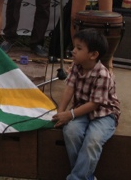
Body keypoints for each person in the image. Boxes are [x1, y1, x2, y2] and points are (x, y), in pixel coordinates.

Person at [52, 28, 120, 180]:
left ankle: (76, 178)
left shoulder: (103, 75)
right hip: (81, 110)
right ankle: (86, 177)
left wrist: (70, 114)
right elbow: (69, 89)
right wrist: (60, 112)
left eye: (79, 48)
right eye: (74, 47)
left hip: (104, 114)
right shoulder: (77, 66)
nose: (73, 51)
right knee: (71, 132)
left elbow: (95, 104)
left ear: (93, 55)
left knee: (93, 140)